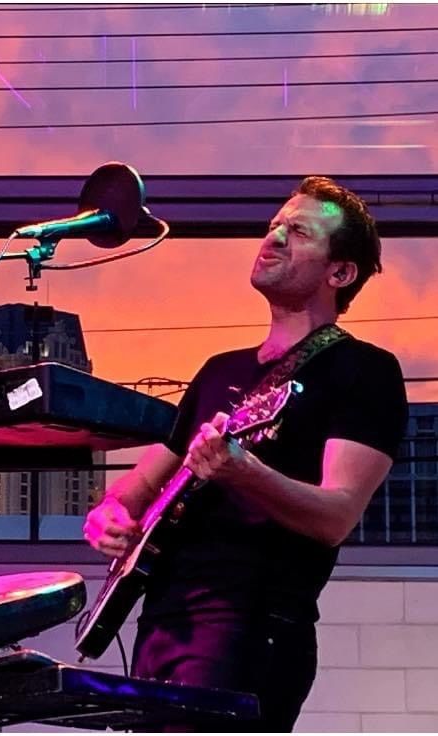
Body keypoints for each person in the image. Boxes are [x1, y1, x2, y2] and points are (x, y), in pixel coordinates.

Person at [83, 176, 408, 732]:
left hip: (249, 624)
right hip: (162, 622)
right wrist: (109, 514)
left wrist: (244, 471)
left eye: (298, 231)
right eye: (274, 225)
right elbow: (138, 486)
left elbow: (336, 516)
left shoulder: (365, 370)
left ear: (340, 273)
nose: (274, 236)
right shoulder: (219, 370)